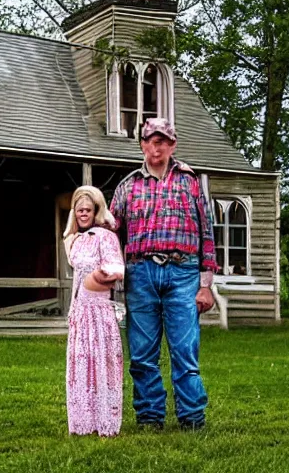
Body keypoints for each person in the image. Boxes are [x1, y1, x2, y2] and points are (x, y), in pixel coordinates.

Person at [110, 117, 217, 431]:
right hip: (139, 274)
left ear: (172, 145)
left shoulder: (190, 182)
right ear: (142, 145)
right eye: (149, 141)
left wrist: (205, 284)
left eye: (162, 141)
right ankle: (149, 418)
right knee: (142, 355)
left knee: (185, 352)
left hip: (183, 273)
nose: (155, 147)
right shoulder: (127, 185)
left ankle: (192, 419)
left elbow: (207, 235)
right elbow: (110, 231)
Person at [63, 186, 125, 437]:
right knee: (81, 363)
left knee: (101, 362)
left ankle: (105, 420)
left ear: (96, 210)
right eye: (80, 210)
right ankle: (83, 421)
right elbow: (76, 275)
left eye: (88, 209)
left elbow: (117, 269)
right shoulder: (75, 240)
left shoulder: (106, 236)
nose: (84, 214)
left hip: (100, 309)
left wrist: (101, 275)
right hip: (80, 308)